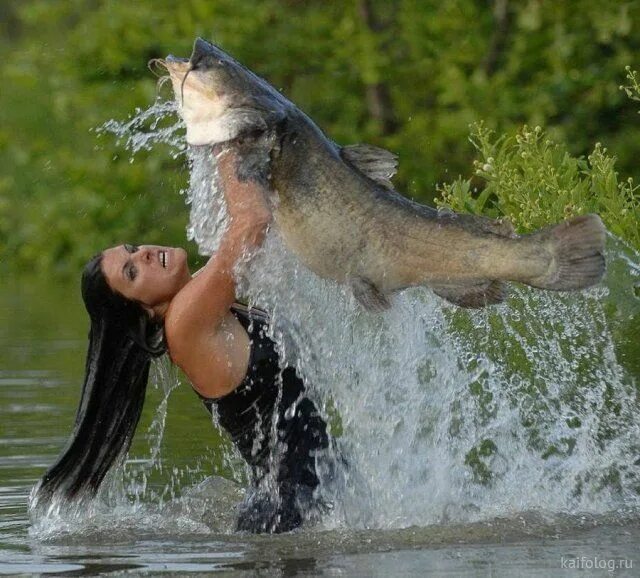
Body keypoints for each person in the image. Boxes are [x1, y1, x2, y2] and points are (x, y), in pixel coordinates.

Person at [33, 146, 336, 533]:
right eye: (131, 272)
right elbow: (251, 223)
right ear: (142, 311)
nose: (142, 253)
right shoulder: (185, 322)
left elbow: (248, 222)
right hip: (291, 517)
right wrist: (224, 137)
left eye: (132, 249)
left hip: (307, 495)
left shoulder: (203, 305)